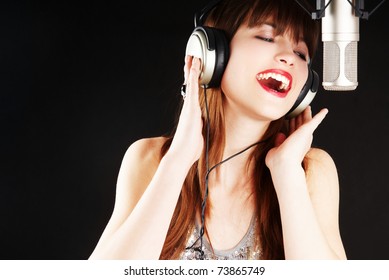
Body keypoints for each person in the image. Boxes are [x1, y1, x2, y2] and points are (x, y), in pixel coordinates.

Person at [89, 0, 347, 260]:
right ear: (212, 54)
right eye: (267, 37)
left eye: (301, 54)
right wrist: (177, 162)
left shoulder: (312, 171)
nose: (289, 58)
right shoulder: (150, 158)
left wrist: (288, 173)